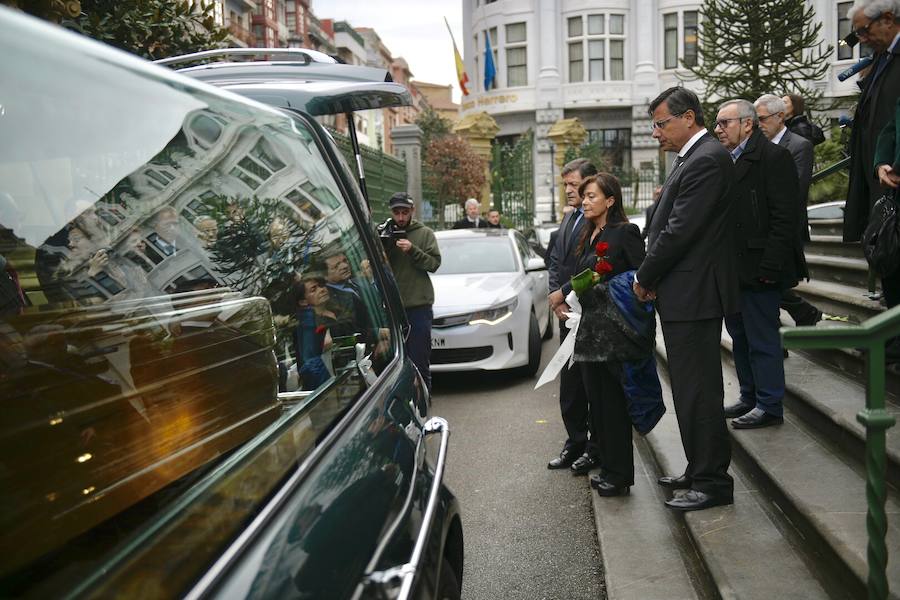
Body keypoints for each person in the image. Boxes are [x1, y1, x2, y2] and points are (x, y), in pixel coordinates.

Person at [633, 86, 739, 511]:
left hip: (695, 294)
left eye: (661, 123)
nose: (655, 132)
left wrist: (645, 275)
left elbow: (680, 230)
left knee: (698, 391)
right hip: (684, 293)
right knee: (691, 390)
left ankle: (712, 481)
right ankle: (699, 469)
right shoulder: (693, 158)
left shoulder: (707, 159)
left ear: (689, 118)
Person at [715, 99, 800, 429]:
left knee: (763, 338)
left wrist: (770, 266)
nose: (719, 130)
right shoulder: (727, 160)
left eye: (725, 123)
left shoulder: (773, 157)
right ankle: (750, 395)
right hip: (734, 269)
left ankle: (769, 404)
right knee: (739, 336)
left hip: (760, 268)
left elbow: (784, 218)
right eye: (719, 124)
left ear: (747, 124)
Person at [571, 174, 645, 496]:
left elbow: (639, 277)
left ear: (610, 200)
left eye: (591, 196)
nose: (585, 201)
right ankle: (610, 468)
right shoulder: (590, 234)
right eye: (584, 197)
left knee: (614, 406)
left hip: (613, 334)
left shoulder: (624, 233)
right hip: (590, 332)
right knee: (598, 405)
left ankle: (620, 475)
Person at [843, 1, 900, 312]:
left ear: (888, 20)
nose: (861, 38)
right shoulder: (882, 59)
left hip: (893, 180)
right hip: (877, 176)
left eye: (864, 30)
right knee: (886, 259)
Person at [546, 158, 600, 474]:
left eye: (573, 183)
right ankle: (575, 442)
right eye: (564, 184)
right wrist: (557, 299)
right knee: (571, 387)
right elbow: (556, 260)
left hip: (590, 315)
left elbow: (592, 267)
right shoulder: (569, 219)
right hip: (567, 315)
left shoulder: (597, 221)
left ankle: (594, 448)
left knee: (593, 387)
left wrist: (563, 293)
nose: (567, 190)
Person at [755, 94, 823, 328]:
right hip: (763, 229)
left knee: (775, 282)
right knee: (769, 285)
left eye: (762, 119)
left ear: (780, 117)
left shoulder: (799, 145)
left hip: (785, 227)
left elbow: (797, 189)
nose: (758, 125)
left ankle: (804, 315)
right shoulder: (759, 146)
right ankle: (800, 317)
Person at [383, 192, 441, 393]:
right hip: (391, 308)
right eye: (397, 212)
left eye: (405, 212)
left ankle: (424, 408)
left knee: (419, 362)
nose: (400, 217)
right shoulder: (384, 232)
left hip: (418, 307)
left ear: (412, 211)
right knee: (392, 365)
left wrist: (412, 250)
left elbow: (434, 264)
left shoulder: (424, 233)